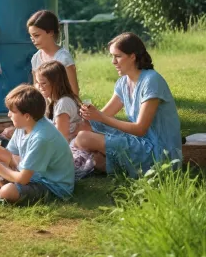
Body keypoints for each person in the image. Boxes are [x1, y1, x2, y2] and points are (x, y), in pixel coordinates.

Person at [74, 33, 182, 177]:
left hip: (158, 151)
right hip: (139, 142)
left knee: (84, 138)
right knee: (84, 126)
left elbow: (140, 129)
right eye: (112, 56)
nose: (113, 61)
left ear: (133, 56)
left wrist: (99, 117)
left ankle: (91, 163)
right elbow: (103, 117)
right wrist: (89, 115)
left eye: (117, 56)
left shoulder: (151, 81)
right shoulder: (124, 82)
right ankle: (98, 163)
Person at [0, 84, 75, 203]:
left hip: (52, 187)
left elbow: (22, 179)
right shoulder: (23, 125)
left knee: (7, 191)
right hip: (35, 175)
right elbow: (11, 157)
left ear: (27, 116)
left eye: (12, 112)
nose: (8, 115)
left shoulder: (41, 138)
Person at [28, 9, 79, 95]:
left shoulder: (63, 58)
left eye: (36, 35)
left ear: (51, 32)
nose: (33, 40)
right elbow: (36, 89)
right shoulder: (35, 58)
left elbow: (74, 91)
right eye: (31, 36)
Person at [35, 60, 84, 142]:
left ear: (56, 83)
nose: (39, 87)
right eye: (37, 82)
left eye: (43, 83)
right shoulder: (53, 101)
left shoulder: (63, 103)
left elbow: (61, 138)